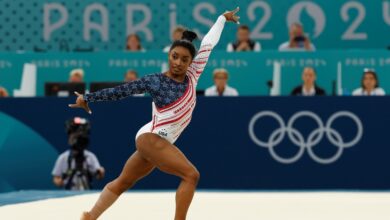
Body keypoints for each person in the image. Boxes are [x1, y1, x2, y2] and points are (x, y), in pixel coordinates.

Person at [69, 7, 240, 220]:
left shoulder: (194, 74)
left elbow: (208, 43)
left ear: (190, 62)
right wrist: (87, 97)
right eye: (174, 56)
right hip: (151, 137)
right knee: (191, 175)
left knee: (123, 182)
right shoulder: (155, 81)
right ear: (169, 55)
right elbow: (121, 91)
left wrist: (222, 19)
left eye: (184, 59)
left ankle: (89, 216)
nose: (177, 62)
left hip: (159, 140)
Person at [52, 117, 105, 190]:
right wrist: (59, 182)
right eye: (75, 137)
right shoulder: (63, 157)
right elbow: (56, 178)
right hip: (68, 194)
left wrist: (100, 173)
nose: (79, 140)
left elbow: (98, 176)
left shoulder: (90, 156)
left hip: (86, 194)